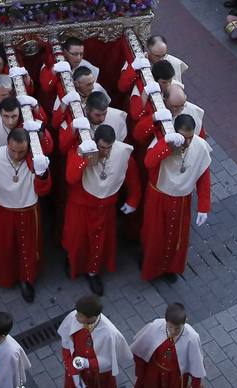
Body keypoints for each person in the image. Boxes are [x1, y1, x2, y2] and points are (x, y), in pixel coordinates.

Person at [62, 122, 141, 296]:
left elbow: (132, 177)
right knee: (76, 240)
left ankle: (93, 273)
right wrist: (84, 159)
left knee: (98, 242)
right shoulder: (80, 150)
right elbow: (71, 177)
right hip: (80, 207)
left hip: (105, 208)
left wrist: (133, 200)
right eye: (103, 148)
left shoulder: (121, 152)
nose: (106, 152)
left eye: (109, 147)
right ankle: (72, 263)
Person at [0, 127, 51, 303]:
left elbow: (44, 191)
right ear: (7, 144)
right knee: (1, 248)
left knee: (27, 248)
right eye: (13, 151)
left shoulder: (35, 161)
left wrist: (43, 175)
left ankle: (27, 280)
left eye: (21, 152)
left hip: (28, 211)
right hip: (2, 211)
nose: (17, 156)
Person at [140, 113, 211, 283]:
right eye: (183, 137)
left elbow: (204, 178)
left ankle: (170, 268)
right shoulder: (162, 142)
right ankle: (151, 269)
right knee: (155, 237)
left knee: (177, 238)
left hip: (182, 200)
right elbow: (149, 162)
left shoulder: (199, 146)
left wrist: (203, 207)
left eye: (190, 137)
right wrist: (167, 145)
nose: (187, 142)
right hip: (159, 198)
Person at [57, 293, 131, 388]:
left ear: (92, 317)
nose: (75, 317)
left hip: (98, 375)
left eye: (80, 316)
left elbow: (109, 360)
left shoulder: (109, 333)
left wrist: (87, 363)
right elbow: (66, 346)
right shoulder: (73, 318)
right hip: (76, 368)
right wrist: (74, 374)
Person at [131, 302, 207, 388]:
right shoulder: (156, 326)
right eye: (170, 327)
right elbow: (140, 352)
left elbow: (197, 368)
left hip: (175, 379)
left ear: (185, 321)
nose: (173, 332)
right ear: (166, 320)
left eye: (177, 329)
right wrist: (140, 373)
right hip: (153, 374)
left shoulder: (192, 338)